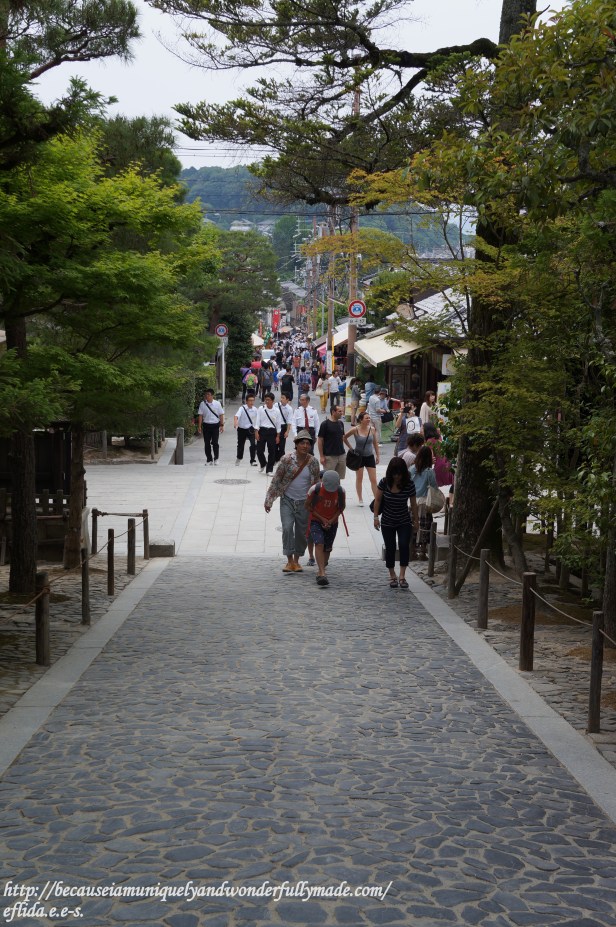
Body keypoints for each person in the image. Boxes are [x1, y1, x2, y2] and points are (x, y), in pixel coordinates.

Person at [264, 430, 320, 572]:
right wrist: (269, 500)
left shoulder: (313, 462)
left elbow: (316, 485)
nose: (305, 446)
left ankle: (297, 561)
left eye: (308, 443)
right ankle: (289, 561)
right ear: (296, 445)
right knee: (287, 528)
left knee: (302, 533)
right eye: (302, 443)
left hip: (304, 503)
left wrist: (316, 503)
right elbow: (276, 480)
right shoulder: (286, 460)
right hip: (287, 500)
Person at [372, 457, 419, 589]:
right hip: (387, 521)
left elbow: (414, 504)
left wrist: (416, 520)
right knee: (390, 547)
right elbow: (377, 500)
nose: (397, 477)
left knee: (404, 545)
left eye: (399, 474)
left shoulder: (409, 484)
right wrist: (376, 518)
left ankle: (402, 575)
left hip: (404, 520)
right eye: (394, 474)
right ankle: (392, 574)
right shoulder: (384, 482)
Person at [305, 470, 346, 586]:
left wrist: (331, 521)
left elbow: (341, 507)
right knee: (319, 543)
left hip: (332, 522)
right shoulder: (315, 489)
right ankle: (322, 573)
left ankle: (322, 568)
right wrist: (322, 519)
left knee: (327, 548)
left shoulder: (340, 491)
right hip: (316, 520)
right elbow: (307, 505)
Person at [343, 411, 379, 506]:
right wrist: (351, 448)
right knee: (359, 478)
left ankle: (377, 499)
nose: (368, 420)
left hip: (370, 456)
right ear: (361, 420)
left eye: (369, 418)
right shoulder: (355, 429)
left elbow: (375, 443)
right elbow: (344, 437)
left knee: (373, 479)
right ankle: (360, 498)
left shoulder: (372, 429)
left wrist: (378, 455)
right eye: (366, 418)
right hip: (359, 457)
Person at [410, 445, 438, 559]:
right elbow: (434, 487)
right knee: (424, 527)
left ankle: (412, 551)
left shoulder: (412, 469)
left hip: (411, 502)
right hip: (424, 502)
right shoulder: (429, 471)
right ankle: (422, 551)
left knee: (412, 526)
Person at [255, 392, 282, 475]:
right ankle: (263, 463)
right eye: (265, 400)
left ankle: (269, 470)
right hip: (262, 431)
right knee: (259, 450)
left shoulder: (276, 411)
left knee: (272, 451)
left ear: (273, 401)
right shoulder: (261, 409)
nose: (266, 401)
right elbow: (257, 421)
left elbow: (278, 424)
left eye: (268, 400)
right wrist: (256, 432)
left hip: (272, 432)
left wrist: (278, 436)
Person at [197, 388, 224, 466]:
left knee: (215, 443)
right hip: (206, 426)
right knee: (207, 443)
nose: (207, 396)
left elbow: (221, 414)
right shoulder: (202, 404)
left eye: (208, 394)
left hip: (215, 425)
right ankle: (209, 459)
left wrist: (222, 425)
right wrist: (199, 426)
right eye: (206, 394)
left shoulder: (217, 404)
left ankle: (216, 458)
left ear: (212, 396)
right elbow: (200, 415)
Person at [317, 405, 347, 478]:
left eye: (342, 411)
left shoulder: (341, 423)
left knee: (339, 478)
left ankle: (338, 489)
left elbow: (343, 437)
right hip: (329, 456)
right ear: (333, 412)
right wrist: (321, 456)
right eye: (339, 411)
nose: (342, 413)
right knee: (329, 478)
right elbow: (320, 440)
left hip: (341, 455)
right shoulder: (325, 424)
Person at [233, 394, 258, 467]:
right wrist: (235, 422)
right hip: (242, 429)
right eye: (250, 400)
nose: (251, 402)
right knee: (240, 445)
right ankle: (239, 458)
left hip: (251, 430)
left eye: (252, 400)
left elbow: (258, 419)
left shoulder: (255, 409)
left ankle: (252, 460)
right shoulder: (242, 408)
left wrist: (257, 429)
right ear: (246, 401)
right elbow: (236, 416)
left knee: (253, 444)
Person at [275, 392, 294, 461]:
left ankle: (282, 461)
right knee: (274, 445)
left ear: (287, 400)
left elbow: (289, 421)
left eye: (283, 398)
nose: (281, 399)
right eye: (281, 397)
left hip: (283, 427)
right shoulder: (276, 405)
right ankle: (275, 459)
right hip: (275, 427)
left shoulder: (289, 409)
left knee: (281, 446)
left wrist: (287, 431)